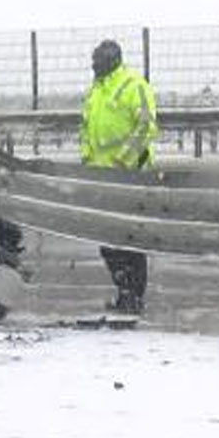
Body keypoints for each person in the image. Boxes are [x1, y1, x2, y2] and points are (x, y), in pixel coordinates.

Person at [79, 39, 159, 314]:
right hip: (101, 177)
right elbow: (86, 127)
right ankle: (123, 290)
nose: (93, 66)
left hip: (129, 176)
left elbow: (146, 126)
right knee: (107, 241)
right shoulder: (96, 90)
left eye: (97, 62)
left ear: (111, 60)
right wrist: (87, 158)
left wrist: (123, 160)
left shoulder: (132, 85)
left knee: (130, 239)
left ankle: (133, 296)